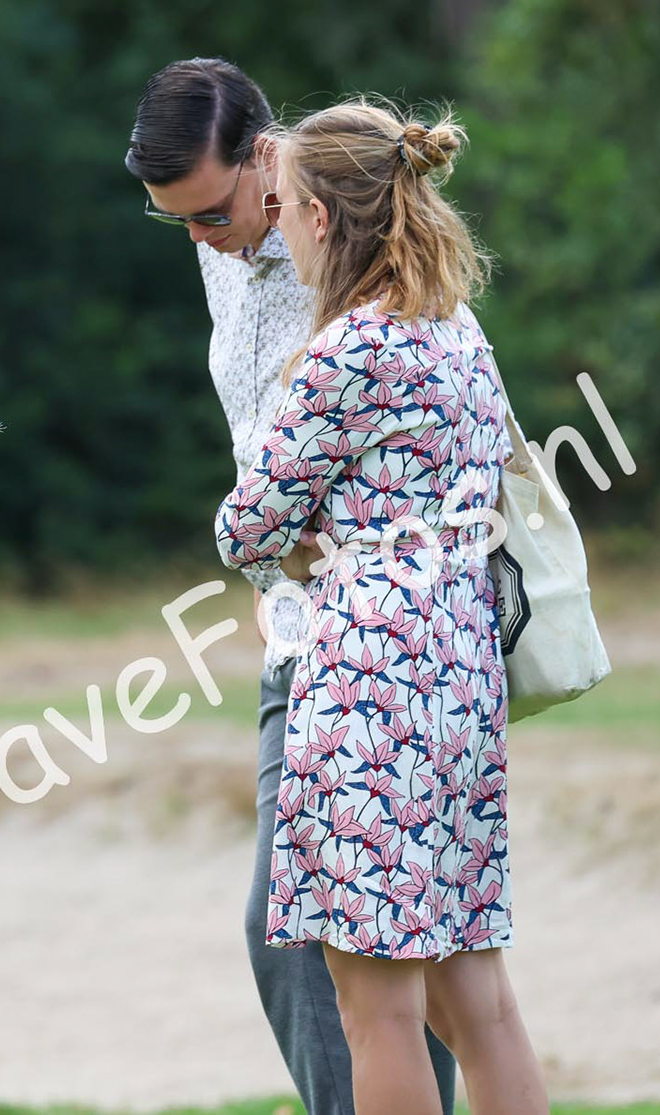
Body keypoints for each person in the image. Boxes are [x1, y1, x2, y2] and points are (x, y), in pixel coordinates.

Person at [126, 58, 458, 1115]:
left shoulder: (346, 243)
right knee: (346, 947)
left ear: (266, 160)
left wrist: (307, 524)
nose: (200, 238)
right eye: (174, 221)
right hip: (297, 631)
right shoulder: (222, 252)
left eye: (211, 212)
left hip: (373, 645)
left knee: (348, 945)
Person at [215, 100, 548, 1115]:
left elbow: (247, 527)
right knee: (479, 1000)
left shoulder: (346, 350)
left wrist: (320, 537)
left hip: (369, 673)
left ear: (321, 217)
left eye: (284, 208)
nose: (278, 228)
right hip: (462, 658)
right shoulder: (459, 330)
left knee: (378, 1008)